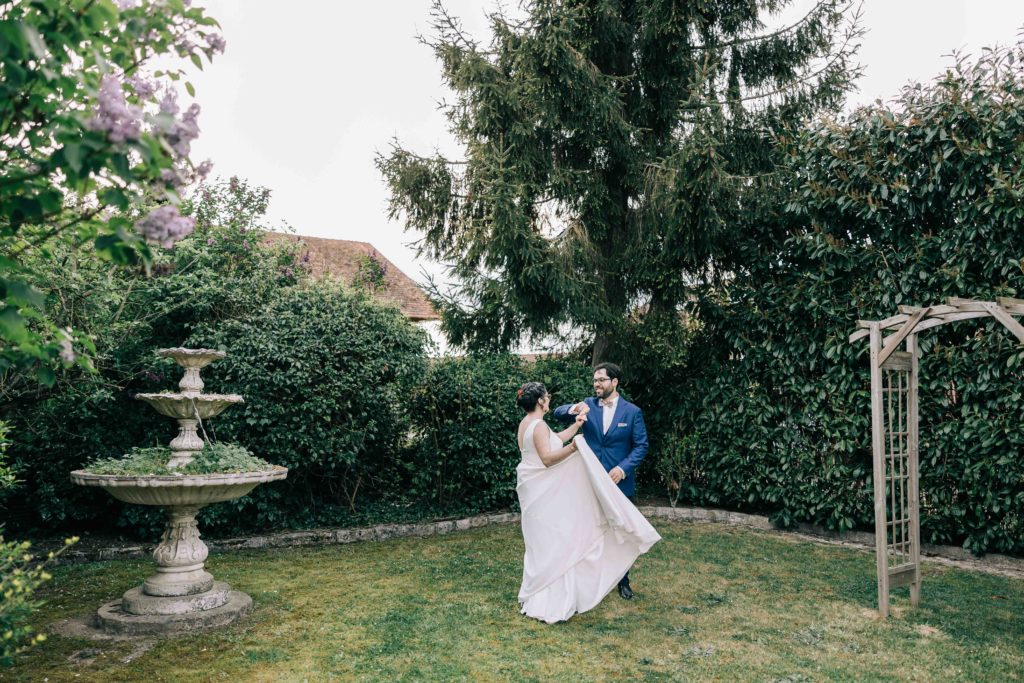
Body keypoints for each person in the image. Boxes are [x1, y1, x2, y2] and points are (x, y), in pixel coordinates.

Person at [516, 381, 660, 624]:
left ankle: (543, 592)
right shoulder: (538, 425)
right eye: (547, 396)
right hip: (543, 492)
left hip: (536, 490)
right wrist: (575, 448)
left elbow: (555, 438)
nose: (549, 399)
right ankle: (550, 599)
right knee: (554, 541)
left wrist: (576, 427)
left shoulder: (528, 423)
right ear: (540, 401)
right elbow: (548, 458)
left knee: (546, 542)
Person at [552, 362, 649, 600]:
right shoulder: (587, 405)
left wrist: (622, 469)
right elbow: (557, 413)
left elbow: (641, 446)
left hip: (618, 483)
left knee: (620, 531)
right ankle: (586, 579)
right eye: (595, 380)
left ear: (614, 382)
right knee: (586, 529)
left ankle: (623, 581)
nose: (597, 384)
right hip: (587, 479)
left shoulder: (632, 412)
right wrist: (575, 407)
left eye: (602, 380)